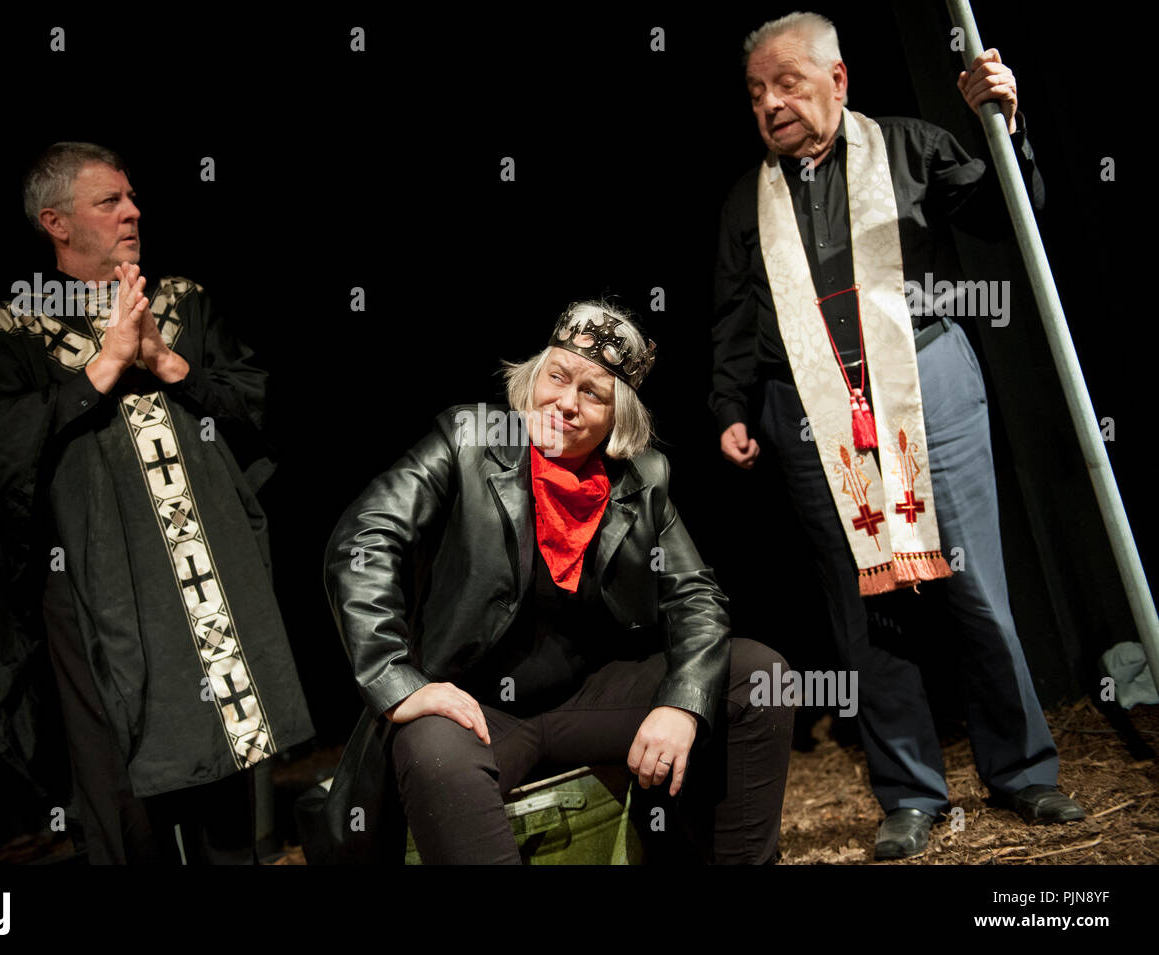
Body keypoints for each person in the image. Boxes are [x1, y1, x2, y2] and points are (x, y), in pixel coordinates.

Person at [711, 12, 1084, 860]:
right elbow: (734, 314)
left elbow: (1007, 216)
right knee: (862, 605)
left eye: (789, 83)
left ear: (837, 81)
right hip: (808, 409)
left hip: (927, 381)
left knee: (976, 582)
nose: (771, 104)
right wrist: (730, 406)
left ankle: (1024, 771)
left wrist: (1005, 124)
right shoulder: (747, 200)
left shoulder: (912, 147)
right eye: (757, 92)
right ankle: (911, 792)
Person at [317, 301, 794, 865]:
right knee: (432, 745)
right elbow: (365, 539)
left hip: (585, 702)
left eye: (593, 393)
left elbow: (695, 596)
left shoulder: (644, 478)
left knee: (759, 676)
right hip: (475, 709)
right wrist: (398, 680)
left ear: (619, 418)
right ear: (533, 378)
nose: (566, 403)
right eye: (558, 378)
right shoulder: (468, 439)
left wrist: (682, 706)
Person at [0, 141, 314, 863]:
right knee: (119, 786)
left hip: (205, 563)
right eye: (109, 200)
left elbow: (254, 410)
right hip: (95, 584)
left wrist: (166, 363)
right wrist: (103, 366)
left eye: (132, 196)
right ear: (55, 222)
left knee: (233, 774)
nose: (133, 211)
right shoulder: (12, 330)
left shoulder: (179, 303)